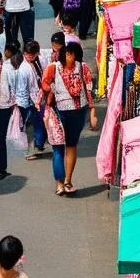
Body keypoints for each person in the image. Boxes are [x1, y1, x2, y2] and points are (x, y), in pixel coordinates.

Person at [41, 41, 98, 196]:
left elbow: (88, 90)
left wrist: (92, 113)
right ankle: (59, 182)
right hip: (58, 111)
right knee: (58, 147)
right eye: (67, 53)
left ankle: (67, 180)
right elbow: (44, 84)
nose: (69, 56)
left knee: (71, 145)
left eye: (72, 53)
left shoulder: (83, 67)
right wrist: (52, 90)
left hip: (78, 112)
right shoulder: (53, 67)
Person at [0, 45, 40, 177]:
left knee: (0, 136)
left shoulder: (6, 66)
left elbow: (4, 89)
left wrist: (6, 103)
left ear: (8, 52)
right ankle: (30, 150)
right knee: (27, 125)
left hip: (5, 105)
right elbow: (33, 87)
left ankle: (1, 168)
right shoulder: (25, 66)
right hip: (23, 104)